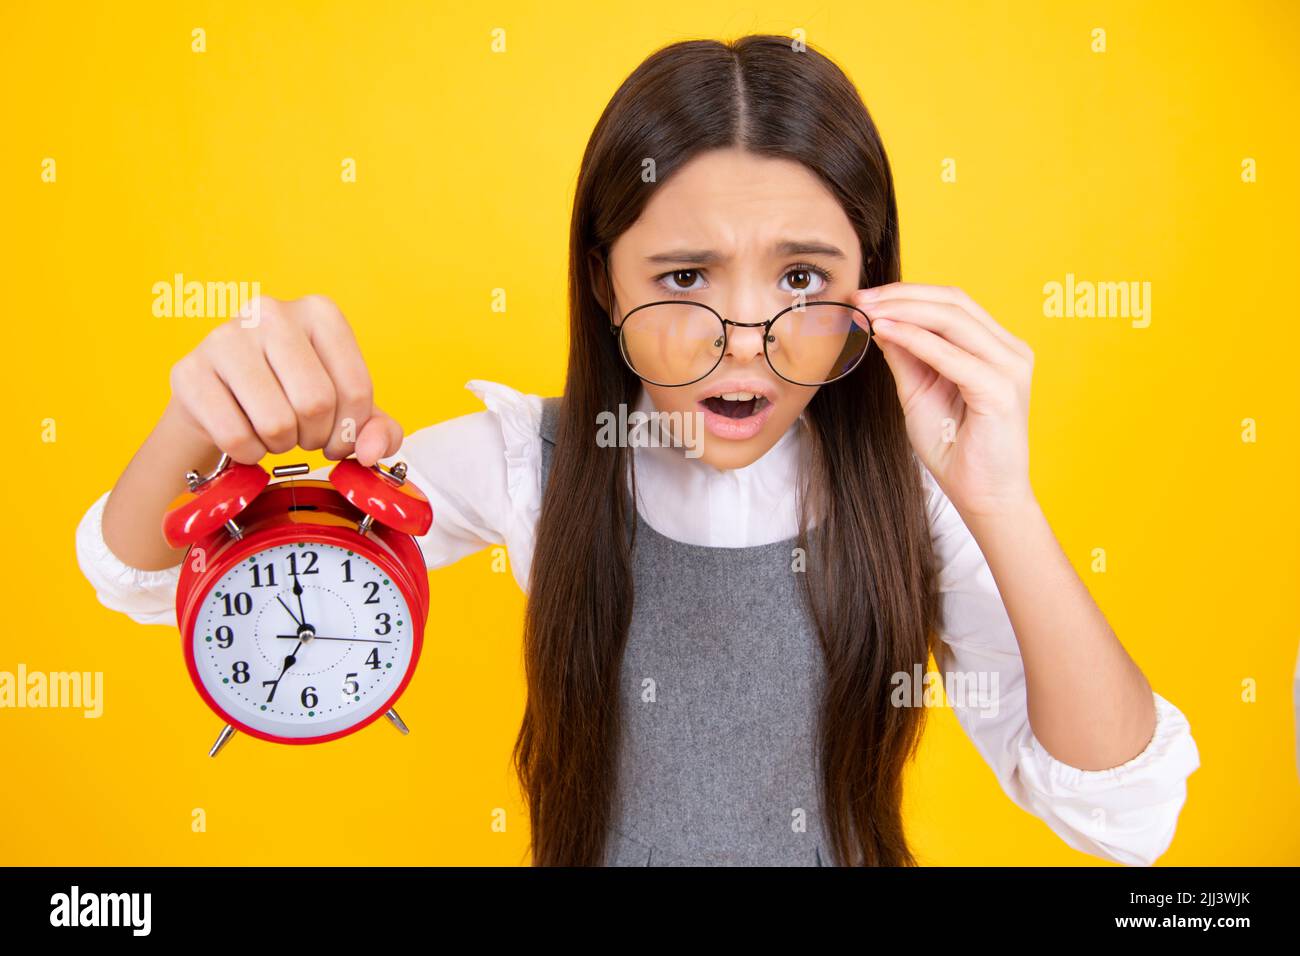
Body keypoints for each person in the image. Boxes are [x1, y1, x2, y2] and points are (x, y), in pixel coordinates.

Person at [74, 34, 1199, 866]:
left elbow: (1127, 815)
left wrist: (1000, 497)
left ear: (870, 286)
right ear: (604, 280)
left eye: (801, 277)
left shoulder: (915, 494)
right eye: (684, 276)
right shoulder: (532, 463)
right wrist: (200, 417)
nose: (742, 341)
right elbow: (146, 578)